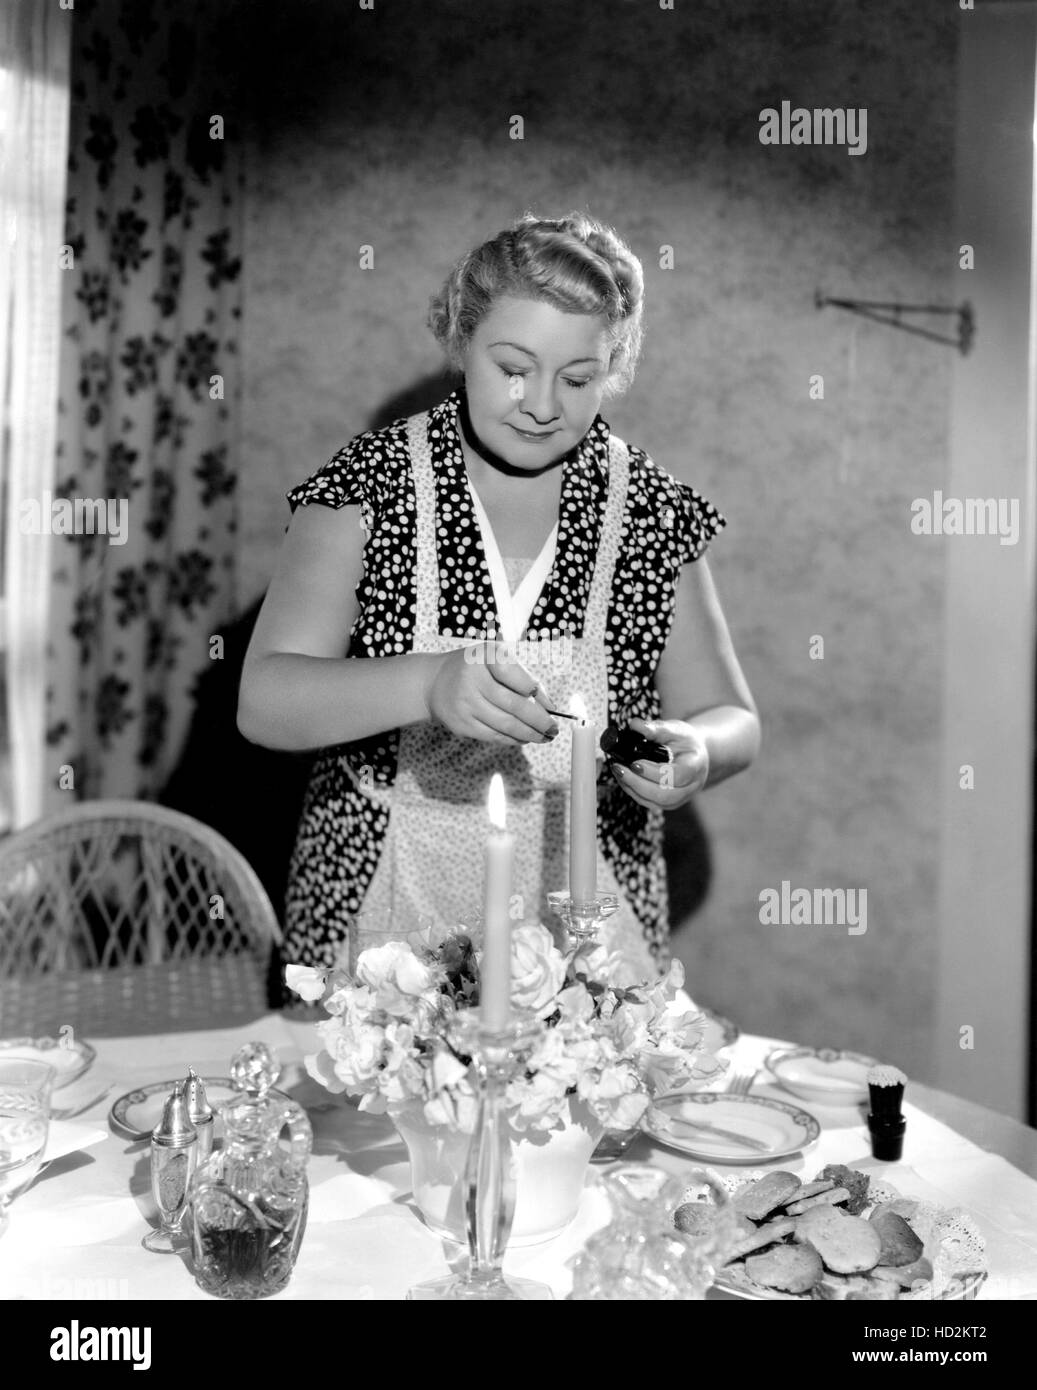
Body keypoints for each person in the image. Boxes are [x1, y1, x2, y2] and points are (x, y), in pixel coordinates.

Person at [238, 211, 760, 984]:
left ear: (613, 366)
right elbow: (265, 701)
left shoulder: (650, 509)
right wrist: (425, 683)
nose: (541, 403)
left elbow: (734, 719)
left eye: (577, 378)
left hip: (584, 906)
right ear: (459, 341)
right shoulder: (370, 483)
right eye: (512, 366)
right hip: (379, 901)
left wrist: (695, 751)